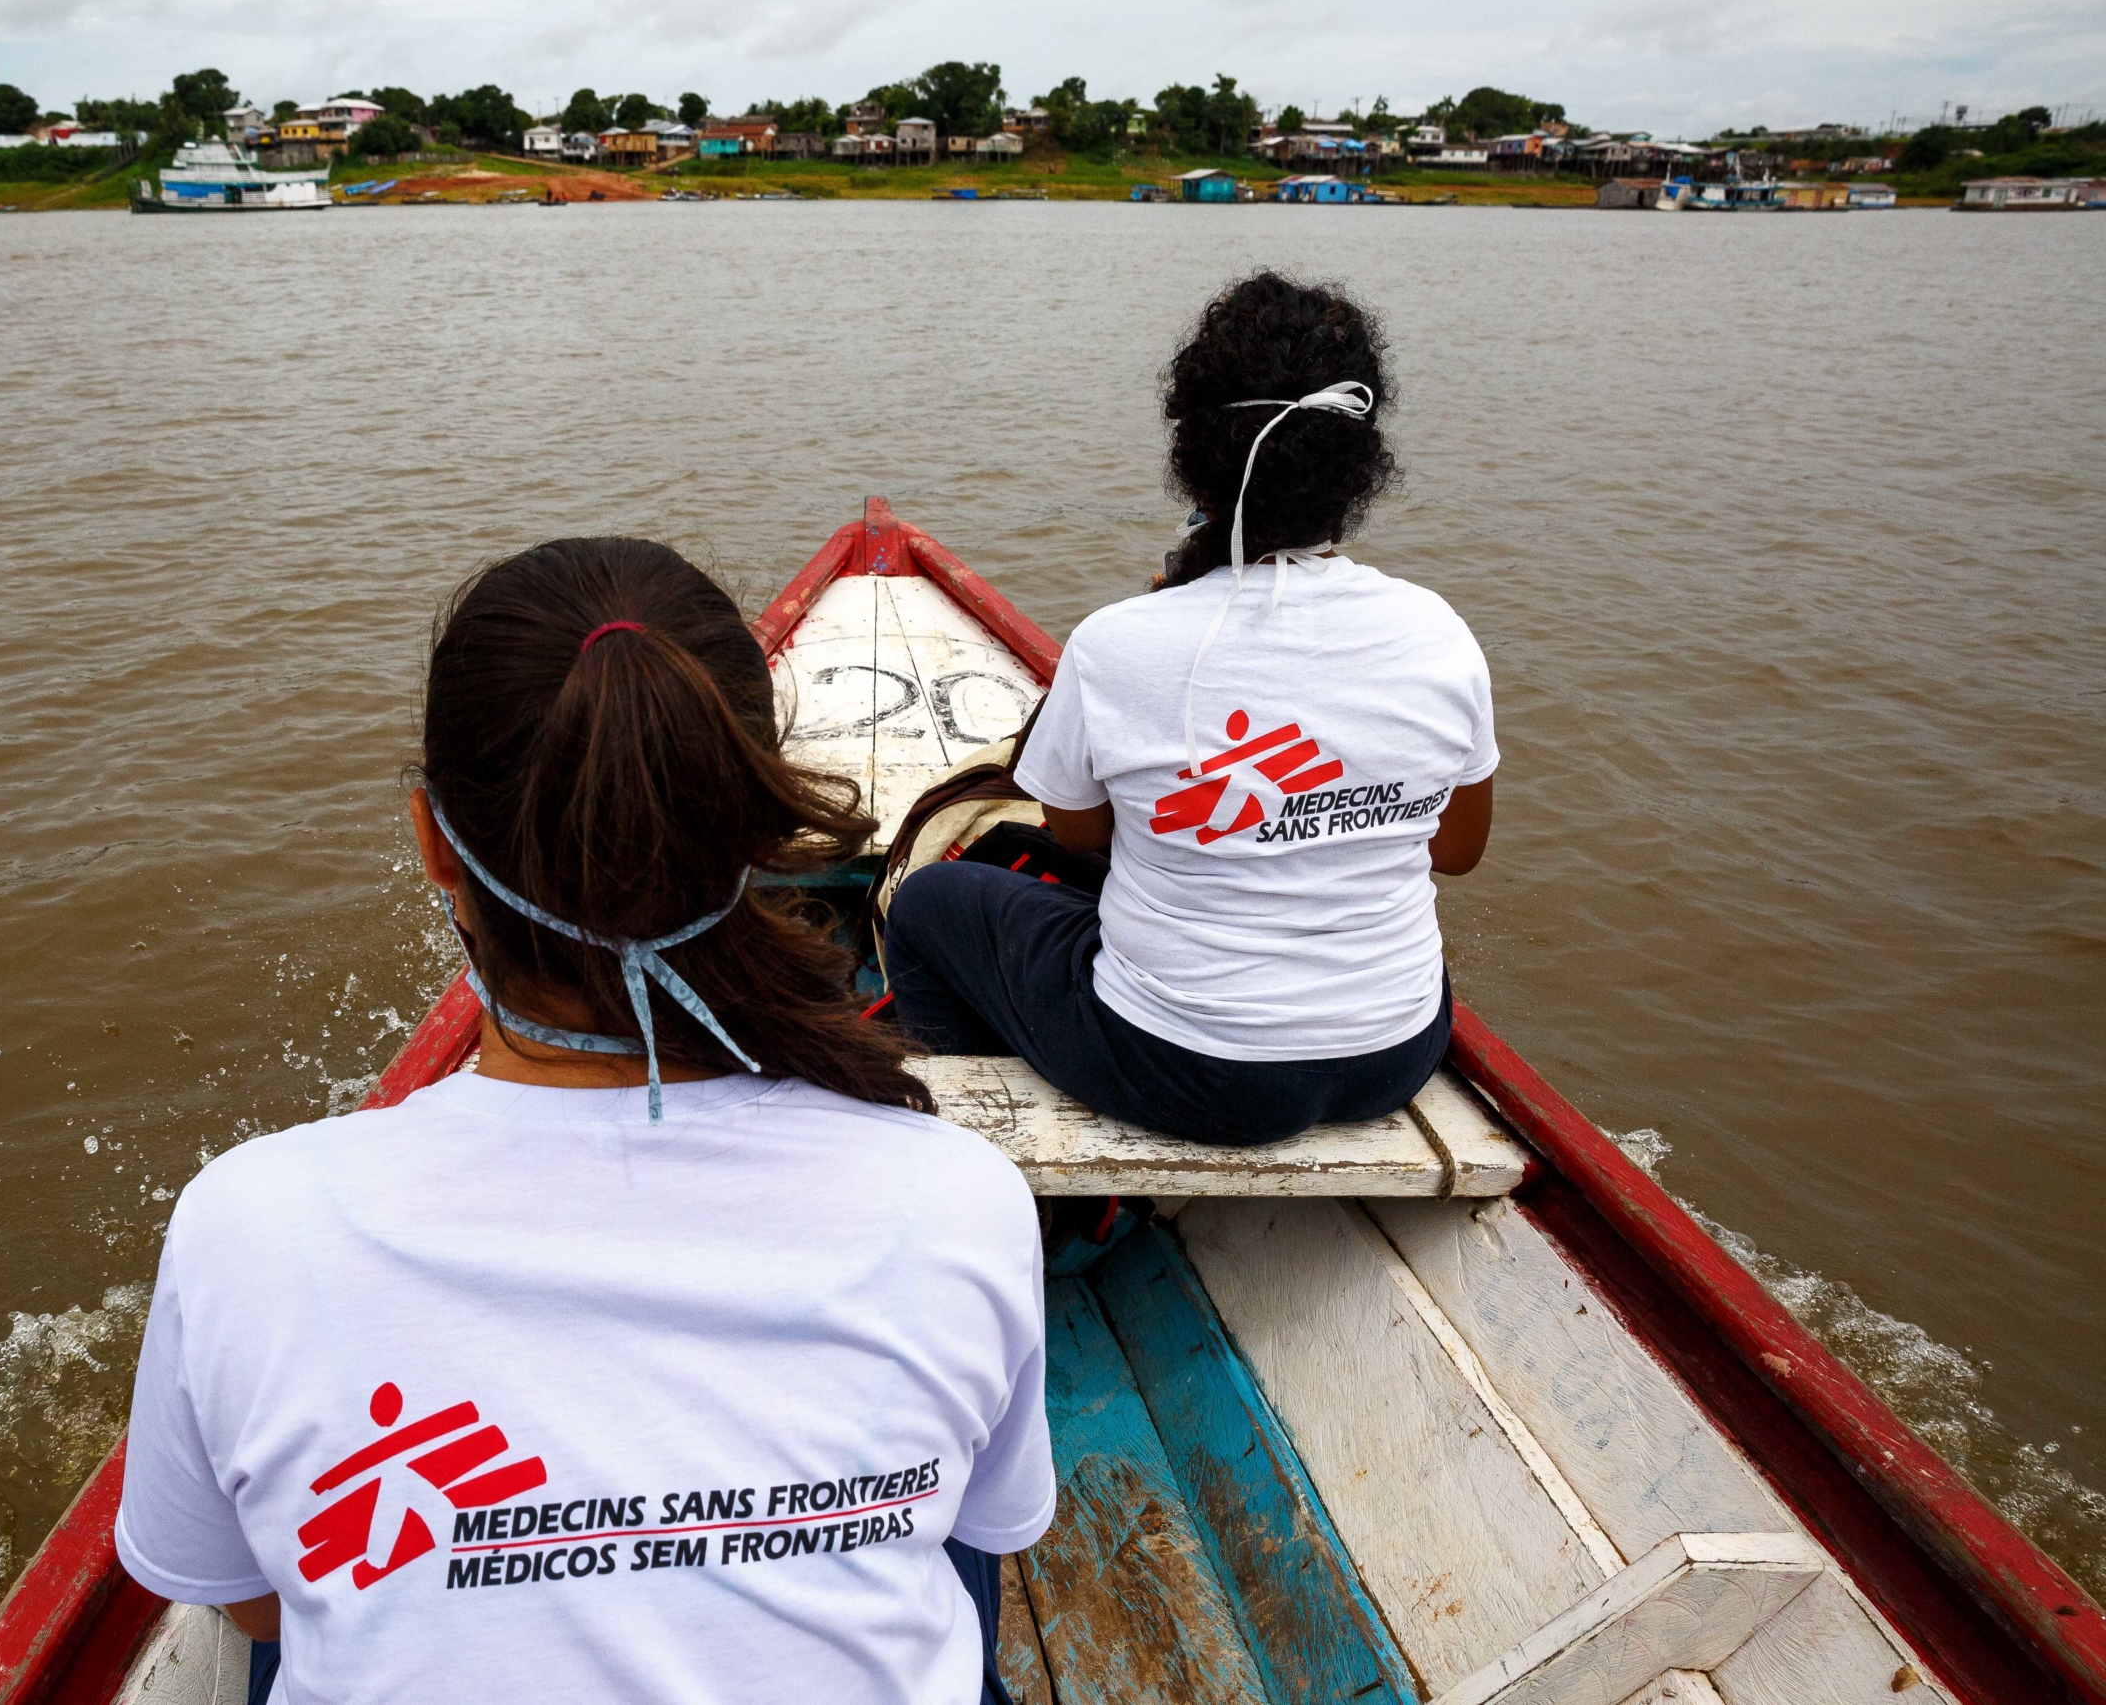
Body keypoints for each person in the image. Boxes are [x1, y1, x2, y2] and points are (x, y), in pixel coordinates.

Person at [114, 538, 1053, 1705]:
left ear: (432, 845)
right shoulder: (955, 1198)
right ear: (757, 835)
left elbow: (253, 1604)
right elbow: (991, 1525)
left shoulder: (247, 1229)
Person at [882, 273, 1496, 1146]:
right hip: (1395, 1051)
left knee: (932, 903)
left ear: (1195, 461)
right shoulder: (1440, 632)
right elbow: (1457, 850)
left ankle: (971, 1150)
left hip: (1186, 1070)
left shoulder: (1119, 643)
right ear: (1357, 466)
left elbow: (1079, 835)